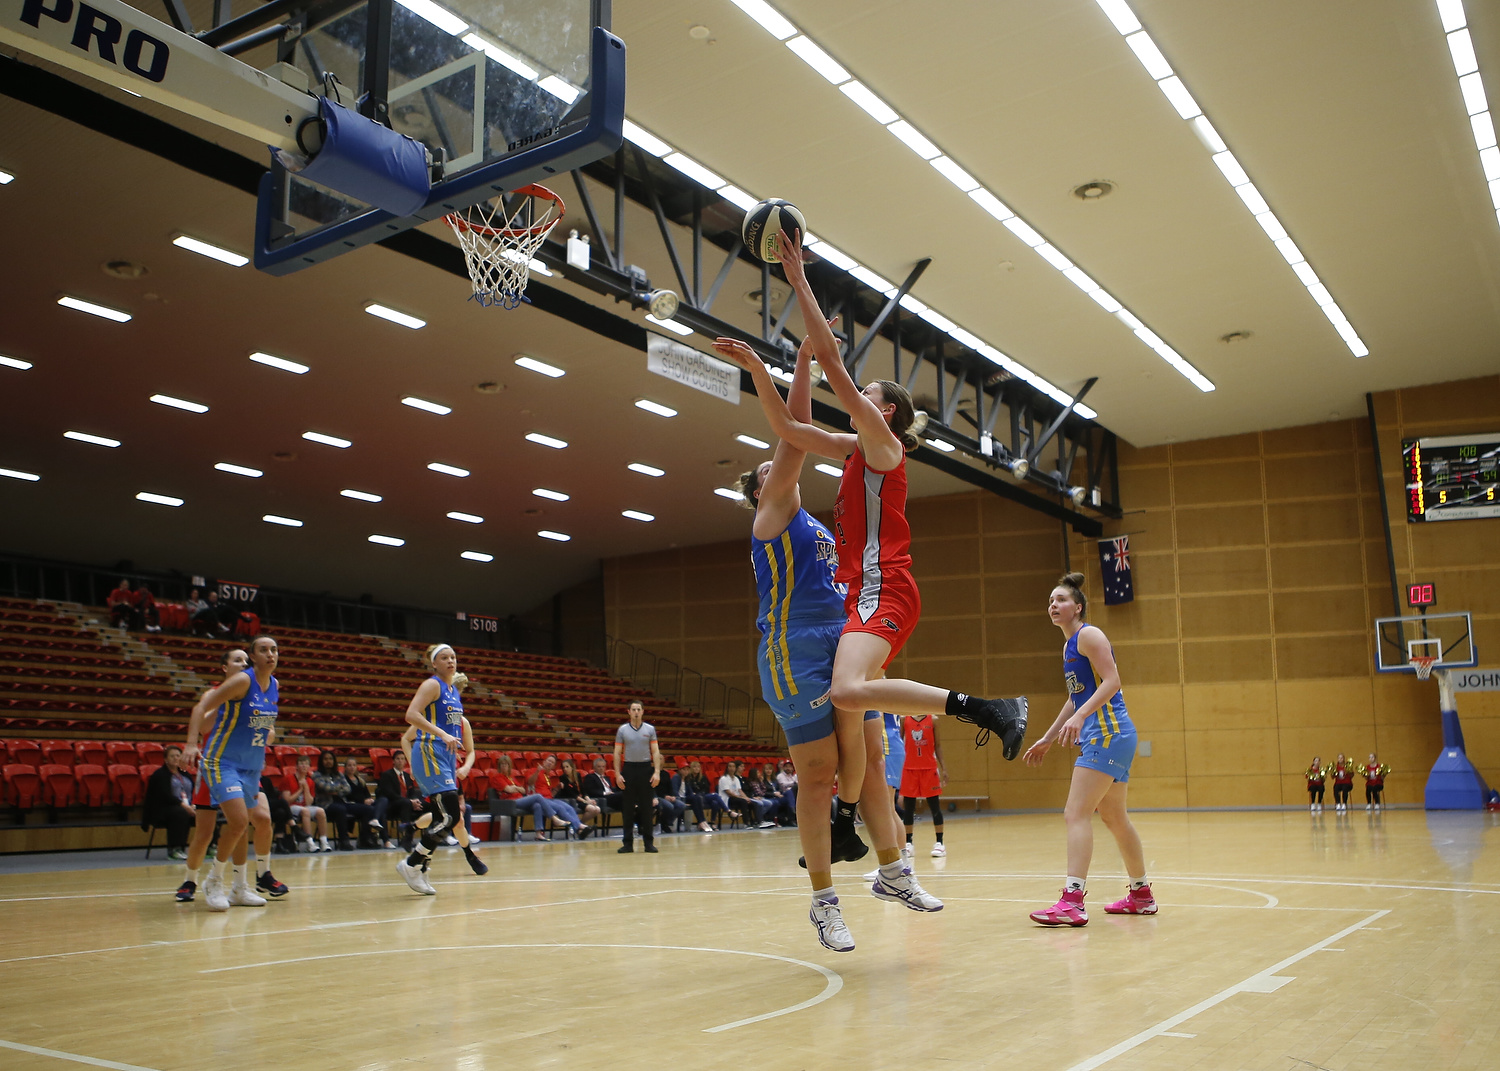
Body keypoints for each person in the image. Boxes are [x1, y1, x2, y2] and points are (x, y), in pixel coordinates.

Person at [714, 228, 1027, 869]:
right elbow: (788, 430)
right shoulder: (856, 449)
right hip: (863, 594)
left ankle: (985, 710)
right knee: (857, 724)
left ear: (886, 414)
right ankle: (854, 830)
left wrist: (798, 279)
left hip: (888, 584)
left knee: (852, 696)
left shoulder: (884, 449)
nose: (864, 400)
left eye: (872, 398)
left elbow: (835, 369)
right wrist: (765, 369)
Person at [1023, 573, 1154, 925]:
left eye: (1061, 600)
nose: (1054, 605)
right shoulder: (1069, 647)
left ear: (1077, 607)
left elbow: (1113, 681)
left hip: (1107, 734)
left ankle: (1072, 901)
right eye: (1051, 601)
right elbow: (1076, 696)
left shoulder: (1089, 634)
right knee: (1113, 817)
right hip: (1114, 735)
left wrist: (1082, 716)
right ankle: (1141, 895)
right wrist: (1049, 737)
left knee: (1075, 813)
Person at [184, 634, 283, 911]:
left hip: (251, 767)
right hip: (222, 762)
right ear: (253, 656)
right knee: (238, 822)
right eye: (263, 650)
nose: (270, 654)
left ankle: (240, 888)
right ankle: (213, 881)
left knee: (245, 824)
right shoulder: (242, 681)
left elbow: (263, 727)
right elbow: (201, 706)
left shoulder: (274, 685)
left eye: (274, 649)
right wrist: (191, 745)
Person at [396, 644, 489, 893]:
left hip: (445, 758)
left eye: (453, 657)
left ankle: (419, 865)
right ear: (434, 663)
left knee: (445, 817)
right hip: (430, 751)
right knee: (450, 816)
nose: (451, 661)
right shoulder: (432, 685)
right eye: (444, 658)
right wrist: (441, 735)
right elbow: (410, 715)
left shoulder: (452, 692)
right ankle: (412, 864)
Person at [177, 649, 248, 900]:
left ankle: (240, 883)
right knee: (204, 832)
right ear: (224, 667)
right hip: (212, 767)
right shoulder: (214, 695)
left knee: (241, 826)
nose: (243, 664)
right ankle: (190, 881)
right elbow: (204, 726)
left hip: (238, 768)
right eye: (237, 660)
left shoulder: (252, 697)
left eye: (246, 661)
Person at [613, 701, 663, 854]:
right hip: (628, 769)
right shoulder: (622, 730)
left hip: (645, 769)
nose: (636, 712)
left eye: (638, 709)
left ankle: (649, 843)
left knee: (647, 808)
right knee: (627, 808)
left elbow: (655, 752)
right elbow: (617, 752)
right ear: (628, 711)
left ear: (642, 711)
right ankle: (627, 843)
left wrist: (657, 772)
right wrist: (617, 774)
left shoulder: (650, 729)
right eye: (633, 709)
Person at [899, 713, 948, 858]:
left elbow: (937, 745)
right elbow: (899, 743)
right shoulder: (904, 719)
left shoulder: (933, 719)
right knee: (908, 808)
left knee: (935, 807)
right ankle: (908, 843)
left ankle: (940, 843)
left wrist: (944, 768)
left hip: (929, 768)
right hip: (909, 769)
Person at [519, 755, 593, 841]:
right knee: (559, 808)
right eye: (548, 761)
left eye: (552, 762)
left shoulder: (547, 776)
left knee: (568, 807)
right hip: (539, 800)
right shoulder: (534, 770)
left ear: (554, 767)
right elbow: (530, 783)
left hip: (549, 799)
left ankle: (579, 830)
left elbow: (550, 793)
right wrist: (537, 772)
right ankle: (580, 826)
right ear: (544, 762)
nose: (550, 763)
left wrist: (557, 788)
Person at [145, 744, 196, 860]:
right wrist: (184, 806)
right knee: (180, 813)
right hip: (164, 809)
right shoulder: (160, 775)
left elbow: (193, 792)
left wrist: (193, 805)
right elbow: (165, 796)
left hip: (187, 806)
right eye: (172, 756)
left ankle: (211, 846)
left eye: (178, 756)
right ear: (166, 759)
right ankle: (175, 849)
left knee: (206, 811)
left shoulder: (185, 774)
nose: (175, 758)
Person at [283, 753, 332, 852]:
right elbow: (286, 800)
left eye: (306, 764)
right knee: (306, 811)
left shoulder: (310, 781)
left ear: (309, 767)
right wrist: (300, 790)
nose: (304, 766)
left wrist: (305, 788)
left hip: (304, 807)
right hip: (291, 807)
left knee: (320, 811)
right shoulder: (288, 778)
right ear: (296, 766)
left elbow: (309, 802)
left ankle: (323, 841)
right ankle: (309, 842)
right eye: (301, 763)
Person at [376, 749, 424, 848]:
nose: (400, 761)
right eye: (398, 759)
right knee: (406, 803)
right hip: (392, 805)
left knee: (424, 805)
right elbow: (390, 794)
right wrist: (409, 801)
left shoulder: (407, 776)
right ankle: (406, 837)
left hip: (406, 804)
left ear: (405, 761)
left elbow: (412, 792)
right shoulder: (387, 775)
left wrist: (415, 800)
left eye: (402, 759)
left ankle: (432, 836)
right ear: (393, 761)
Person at [341, 756, 385, 847]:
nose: (352, 767)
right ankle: (365, 838)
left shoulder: (360, 780)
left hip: (363, 804)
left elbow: (366, 794)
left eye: (354, 765)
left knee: (382, 801)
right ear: (345, 767)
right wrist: (363, 801)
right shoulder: (343, 780)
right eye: (349, 765)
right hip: (350, 804)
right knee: (369, 810)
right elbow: (348, 795)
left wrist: (369, 799)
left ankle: (375, 821)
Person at [556, 758, 602, 827]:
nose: (565, 769)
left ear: (572, 767)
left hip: (580, 799)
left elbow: (583, 790)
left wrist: (589, 800)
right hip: (572, 800)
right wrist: (586, 802)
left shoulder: (577, 775)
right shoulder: (563, 778)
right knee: (592, 809)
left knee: (597, 809)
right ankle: (579, 825)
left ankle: (579, 824)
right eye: (563, 767)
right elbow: (572, 794)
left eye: (567, 767)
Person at [679, 760, 720, 832]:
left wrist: (699, 793)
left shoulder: (703, 778)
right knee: (712, 796)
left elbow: (707, 788)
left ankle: (712, 822)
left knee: (715, 802)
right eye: (694, 767)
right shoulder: (687, 778)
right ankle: (702, 821)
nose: (696, 769)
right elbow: (688, 791)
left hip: (702, 796)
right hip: (692, 798)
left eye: (698, 767)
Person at [655, 768, 687, 835]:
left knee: (681, 805)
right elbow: (653, 789)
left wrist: (672, 796)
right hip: (658, 797)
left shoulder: (666, 773)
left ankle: (666, 822)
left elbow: (670, 787)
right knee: (670, 806)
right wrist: (664, 796)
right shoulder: (652, 773)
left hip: (668, 796)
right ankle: (663, 823)